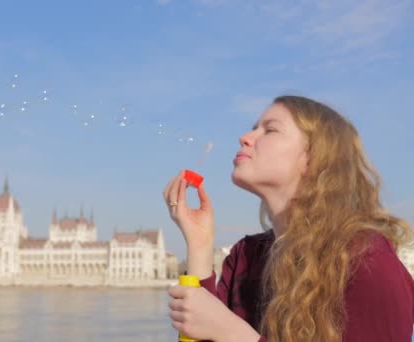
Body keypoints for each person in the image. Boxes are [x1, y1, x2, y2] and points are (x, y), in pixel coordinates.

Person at [164, 95, 414, 342]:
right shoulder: (245, 256)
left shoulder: (365, 258)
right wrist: (199, 244)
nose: (244, 137)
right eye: (253, 129)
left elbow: (224, 332)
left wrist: (234, 333)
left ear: (313, 159)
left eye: (270, 130)